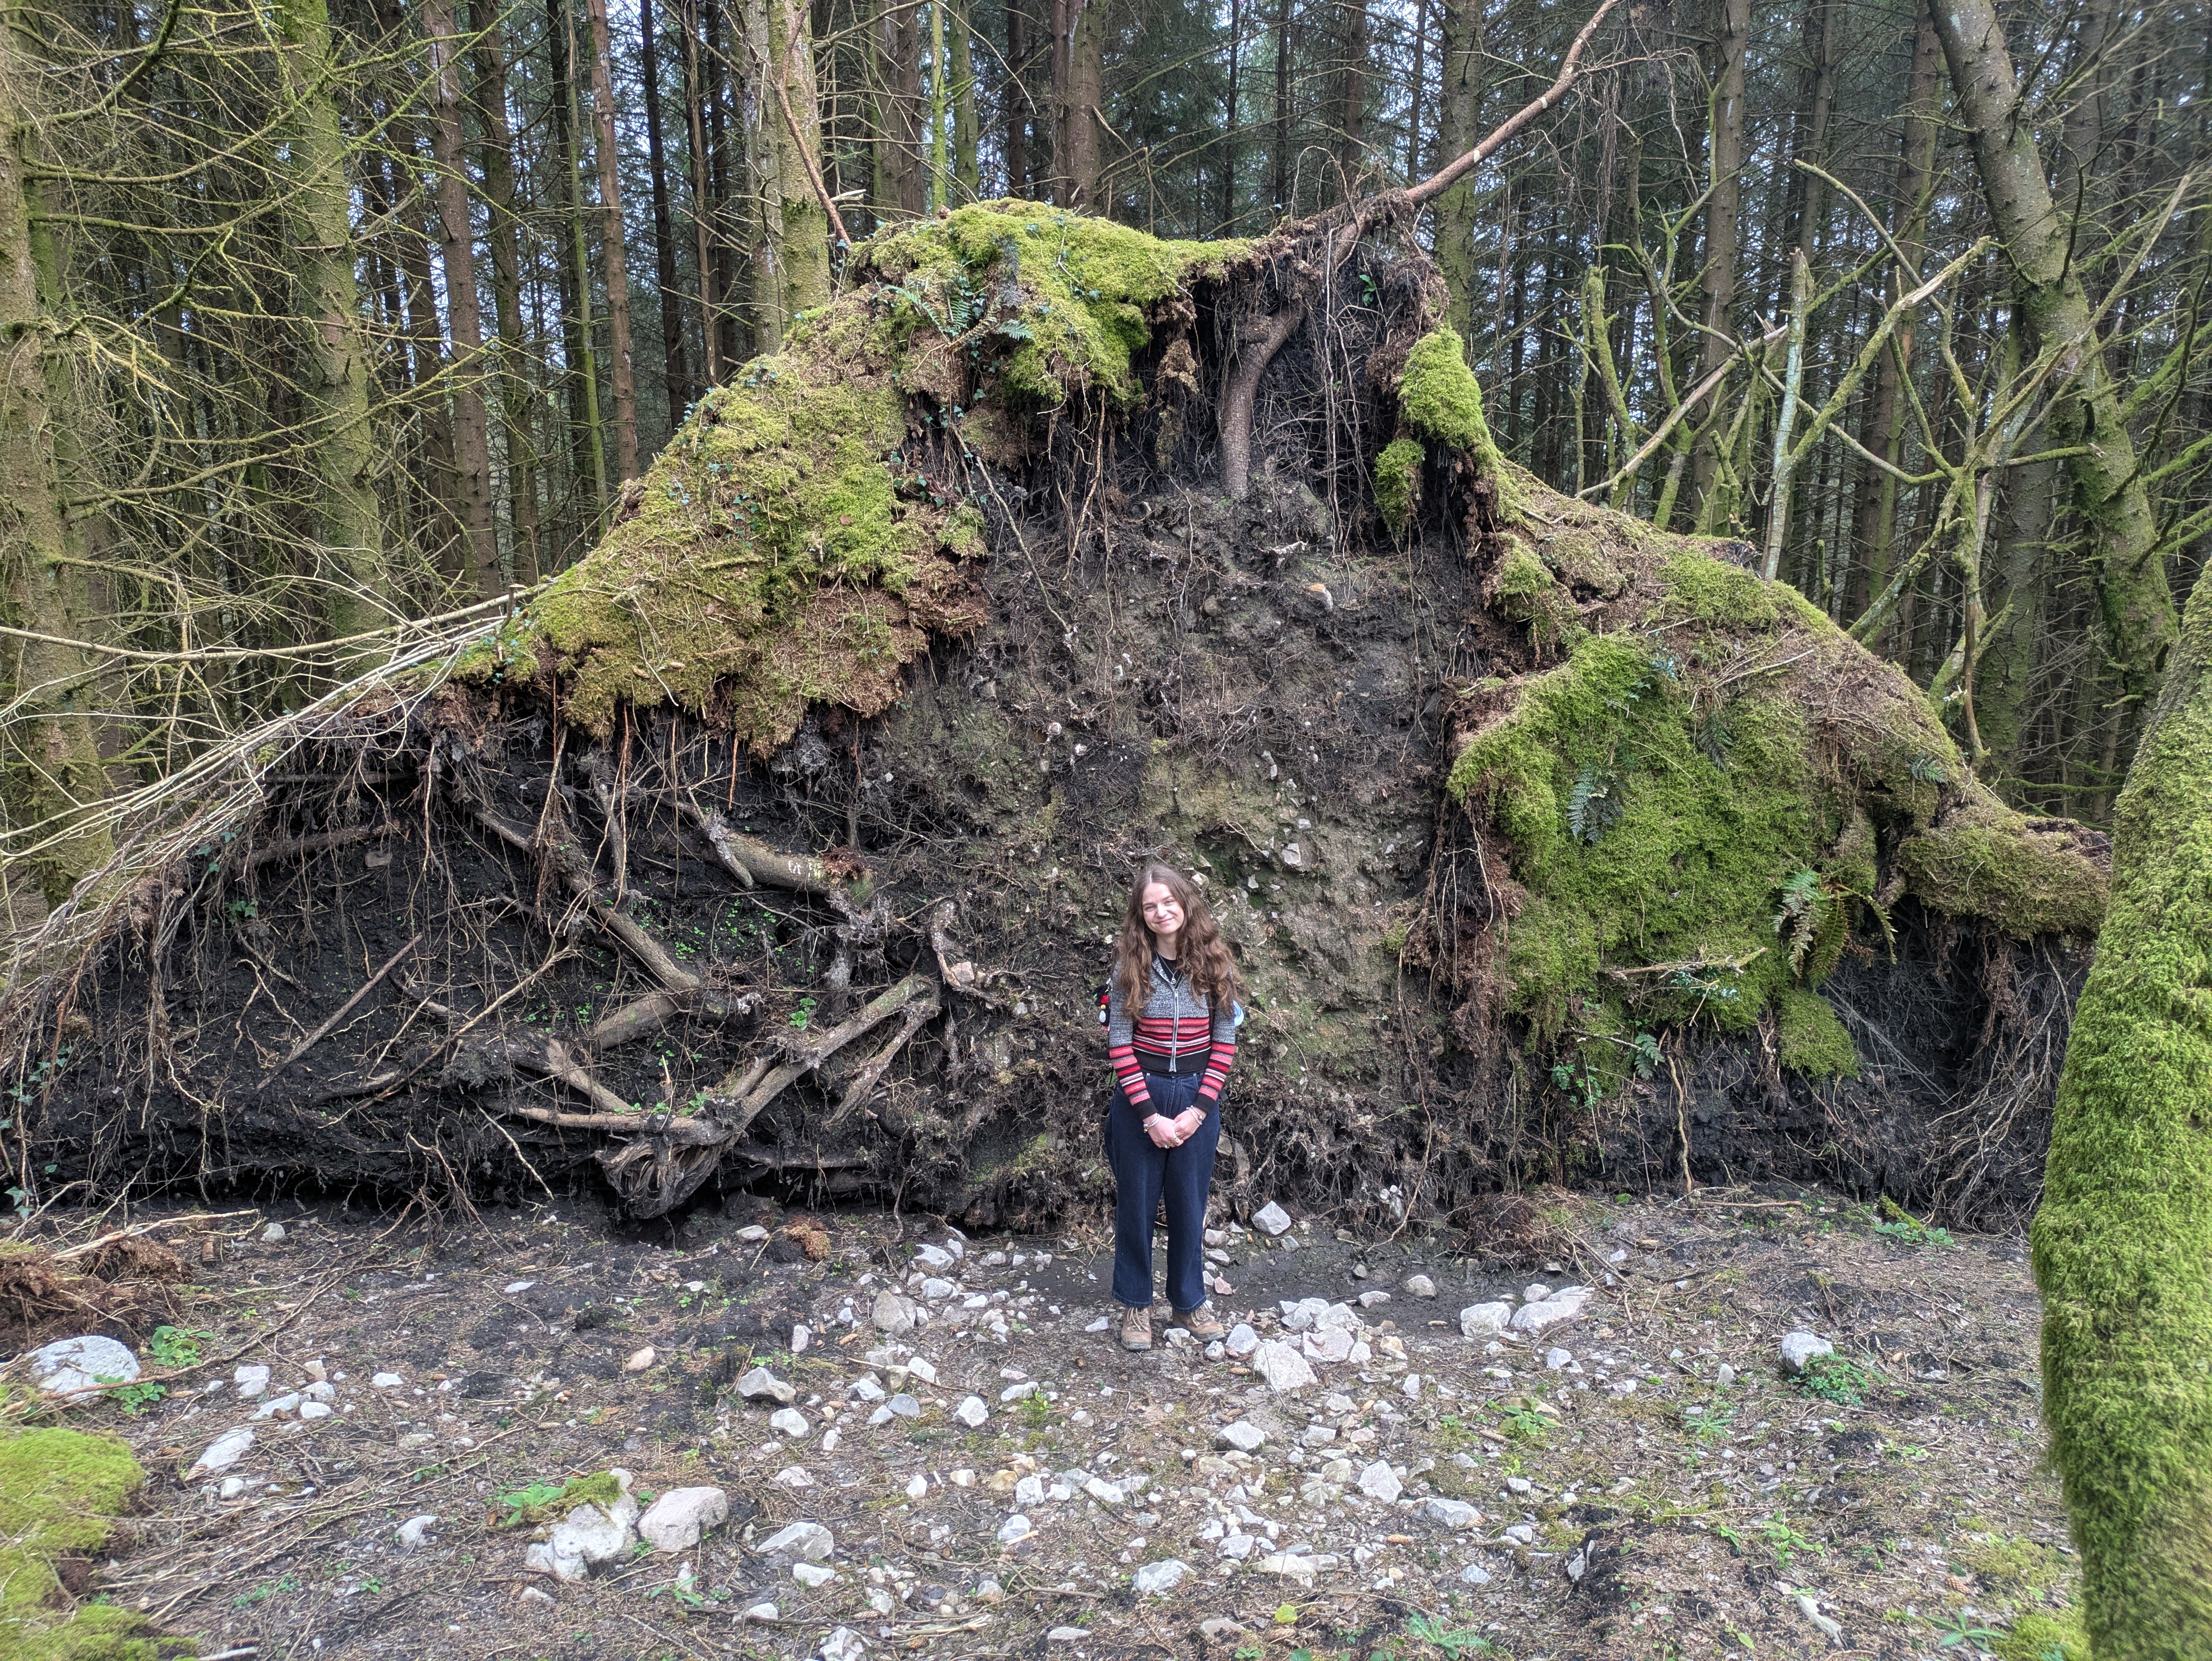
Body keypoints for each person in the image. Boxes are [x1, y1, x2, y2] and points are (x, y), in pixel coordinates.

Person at [1103, 862, 1242, 1352]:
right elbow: (1119, 1045)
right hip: (1141, 1098)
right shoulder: (1127, 968)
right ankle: (1136, 1304)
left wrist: (1199, 1110)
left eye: (1168, 902)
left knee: (1189, 1205)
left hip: (1195, 1098)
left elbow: (1225, 1040)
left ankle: (1188, 1299)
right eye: (1149, 906)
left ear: (1184, 904)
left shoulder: (1215, 963)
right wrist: (1149, 1116)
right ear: (1140, 915)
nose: (1161, 912)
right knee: (1136, 1206)